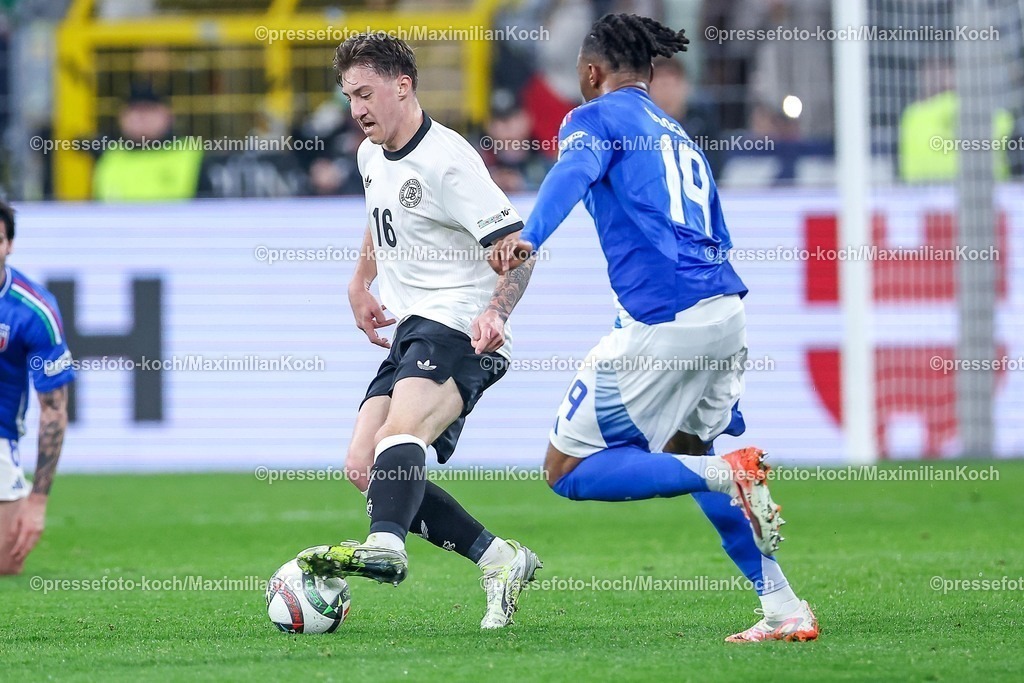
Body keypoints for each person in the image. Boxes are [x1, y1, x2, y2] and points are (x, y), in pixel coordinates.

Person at [489, 13, 818, 643]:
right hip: (725, 310)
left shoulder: (592, 118)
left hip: (666, 322)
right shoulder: (678, 134)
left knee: (567, 469)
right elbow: (716, 235)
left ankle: (730, 473)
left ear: (591, 73)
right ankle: (783, 606)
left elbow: (570, 174)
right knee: (687, 451)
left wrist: (526, 236)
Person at [296, 34, 541, 629]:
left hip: (457, 322)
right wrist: (360, 282)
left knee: (400, 434)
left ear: (402, 85)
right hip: (411, 325)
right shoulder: (369, 154)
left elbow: (520, 250)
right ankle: (499, 557)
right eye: (349, 95)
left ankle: (387, 545)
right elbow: (381, 222)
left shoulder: (449, 159)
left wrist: (496, 313)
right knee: (363, 466)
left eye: (365, 93)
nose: (356, 108)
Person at [0, 200, 74, 574]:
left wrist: (38, 502)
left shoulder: (33, 310)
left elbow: (54, 409)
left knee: (6, 563)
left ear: (8, 245)